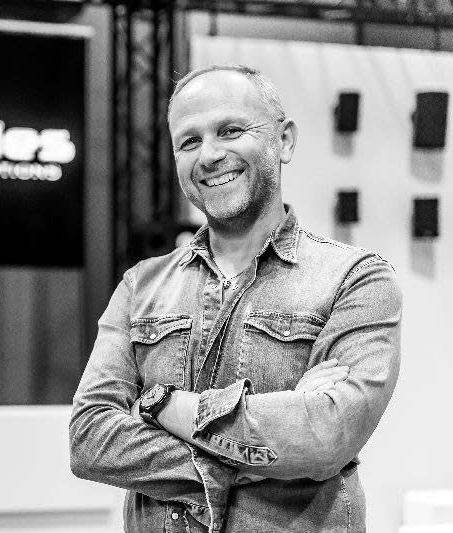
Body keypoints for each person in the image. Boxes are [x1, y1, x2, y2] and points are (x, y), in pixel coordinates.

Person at [69, 64, 401, 532]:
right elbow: (90, 441)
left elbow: (327, 436)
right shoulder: (140, 286)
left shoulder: (356, 278)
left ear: (283, 140)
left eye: (231, 130)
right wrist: (275, 453)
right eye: (189, 141)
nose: (209, 154)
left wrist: (164, 406)